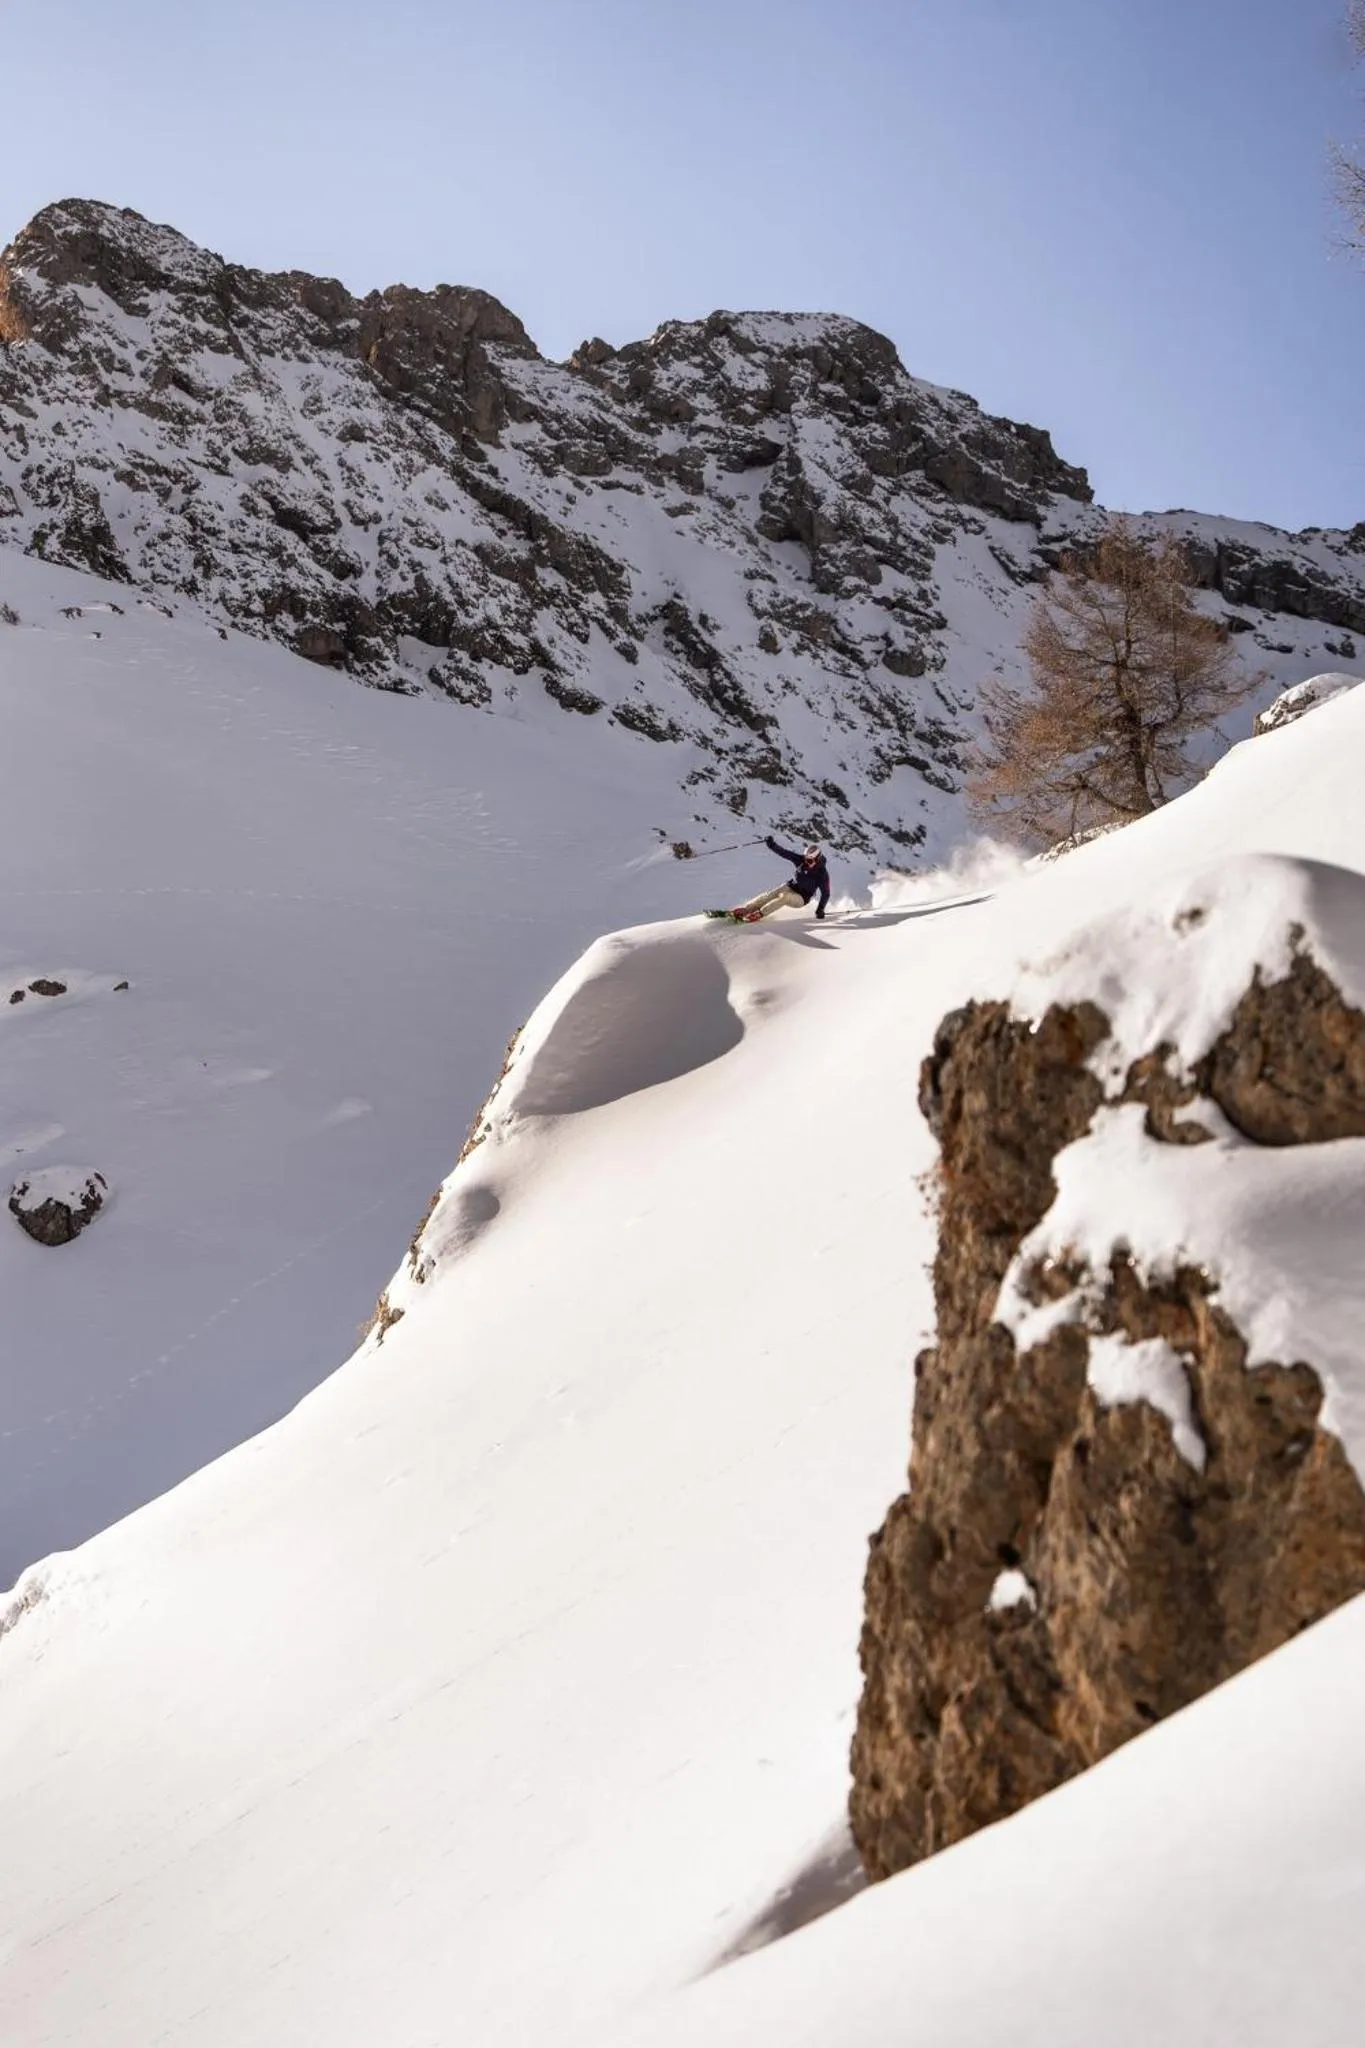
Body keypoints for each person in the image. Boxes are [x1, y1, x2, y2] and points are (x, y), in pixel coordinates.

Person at [731, 837, 831, 921]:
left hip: (802, 898)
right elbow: (784, 853)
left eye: (809, 860)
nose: (806, 862)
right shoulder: (802, 860)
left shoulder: (822, 874)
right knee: (770, 895)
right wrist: (771, 844)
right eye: (805, 858)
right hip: (790, 886)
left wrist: (820, 910)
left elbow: (826, 894)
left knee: (784, 897)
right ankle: (747, 910)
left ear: (817, 859)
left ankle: (759, 914)